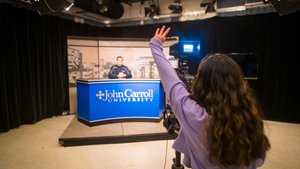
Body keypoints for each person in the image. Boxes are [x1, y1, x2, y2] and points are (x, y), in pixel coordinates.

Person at [149, 26, 270, 169]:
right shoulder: (250, 116)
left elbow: (171, 81)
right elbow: (258, 160)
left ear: (202, 82)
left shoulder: (193, 114)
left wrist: (156, 44)